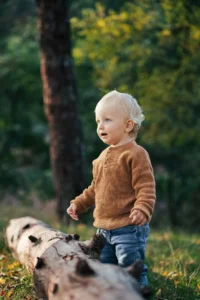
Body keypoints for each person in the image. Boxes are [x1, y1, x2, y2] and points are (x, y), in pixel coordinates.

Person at [67, 90, 156, 286]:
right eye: (98, 121)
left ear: (128, 125)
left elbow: (146, 186)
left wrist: (143, 208)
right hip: (103, 230)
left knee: (130, 270)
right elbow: (95, 188)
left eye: (107, 120)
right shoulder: (100, 158)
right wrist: (78, 203)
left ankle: (138, 293)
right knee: (106, 270)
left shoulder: (136, 154)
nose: (100, 126)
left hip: (128, 228)